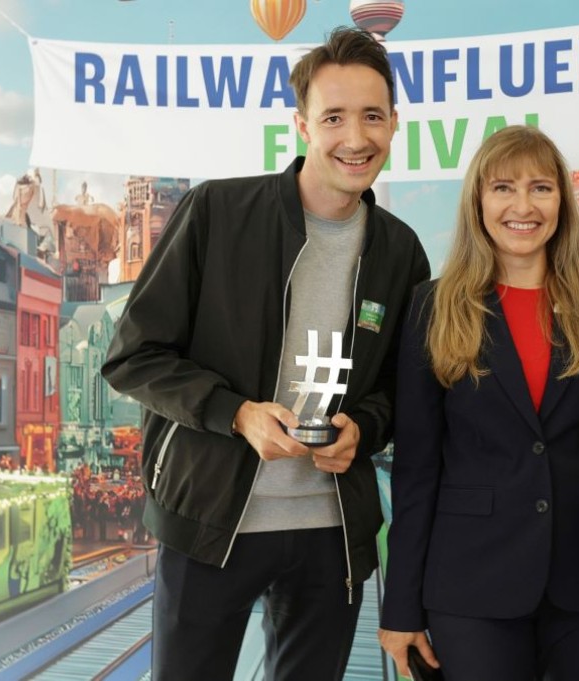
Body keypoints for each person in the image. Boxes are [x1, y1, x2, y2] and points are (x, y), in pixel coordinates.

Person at [101, 27, 430, 681]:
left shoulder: (400, 251)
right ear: (301, 124)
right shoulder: (216, 212)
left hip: (329, 536)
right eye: (333, 117)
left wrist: (365, 427)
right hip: (208, 522)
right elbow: (133, 356)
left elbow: (403, 387)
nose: (355, 138)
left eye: (372, 116)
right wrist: (236, 413)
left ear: (395, 124)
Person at [379, 125, 579, 680]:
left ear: (562, 201)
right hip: (471, 586)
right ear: (477, 201)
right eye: (503, 188)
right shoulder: (433, 306)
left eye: (541, 188)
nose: (524, 206)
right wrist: (401, 607)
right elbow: (416, 468)